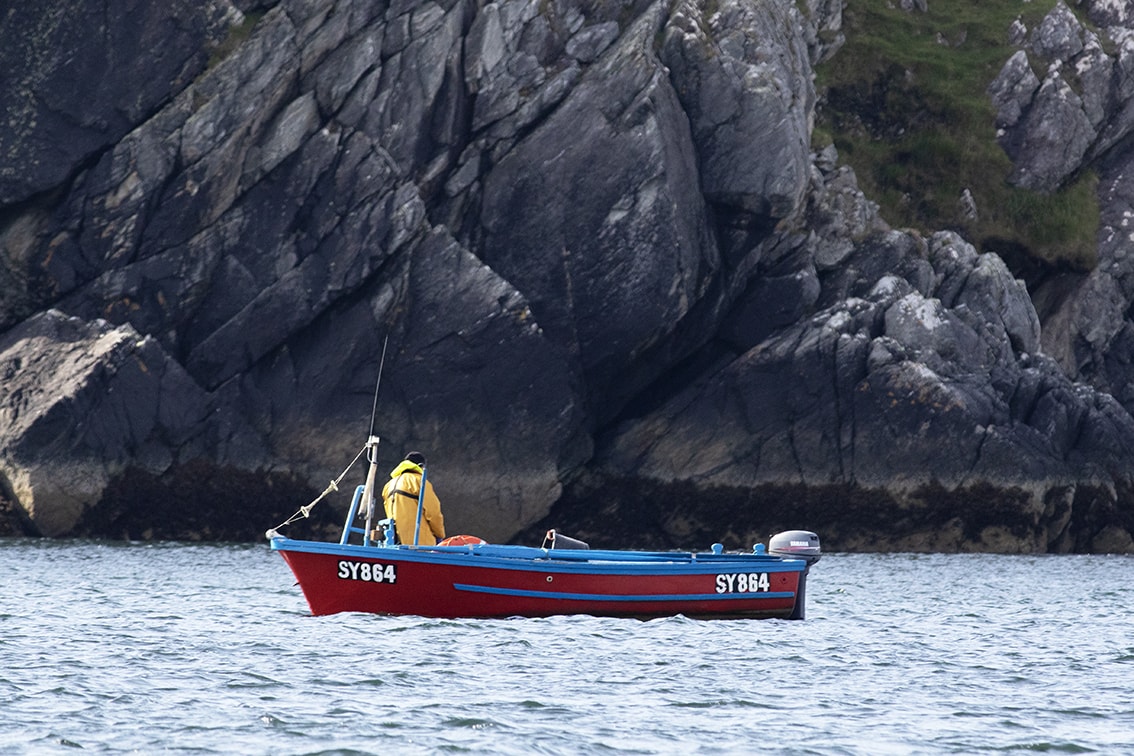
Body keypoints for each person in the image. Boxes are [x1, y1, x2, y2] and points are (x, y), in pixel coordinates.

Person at [381, 451, 445, 546]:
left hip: (395, 542)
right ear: (421, 466)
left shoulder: (388, 485)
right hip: (420, 544)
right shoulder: (420, 481)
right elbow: (433, 512)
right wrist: (440, 534)